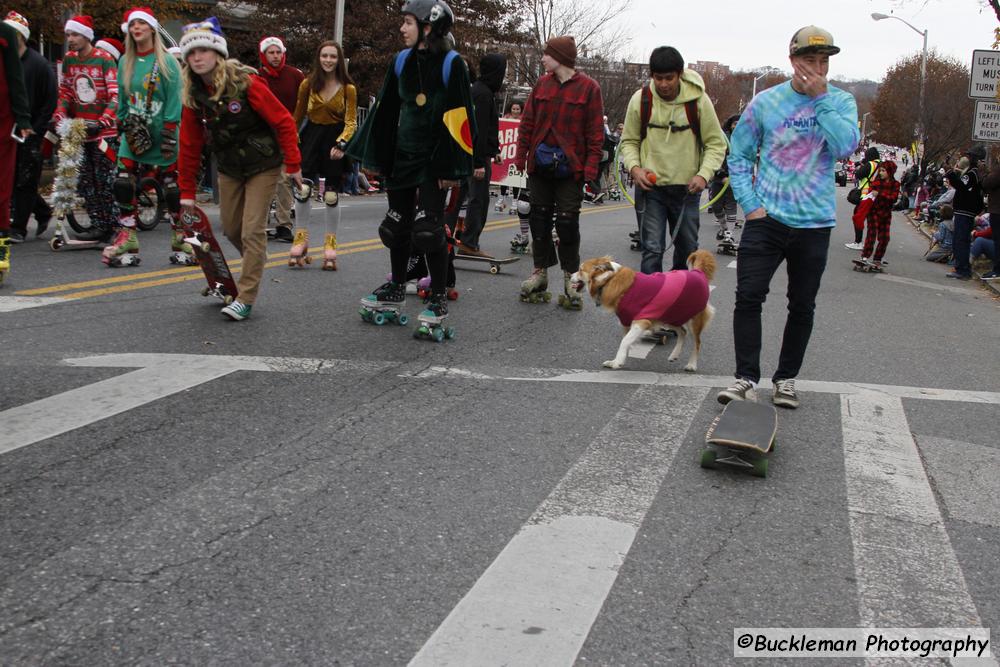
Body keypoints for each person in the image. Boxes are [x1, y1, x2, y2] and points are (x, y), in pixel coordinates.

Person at [718, 25, 859, 408]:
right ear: (792, 60)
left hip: (815, 223)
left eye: (824, 61)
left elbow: (846, 146)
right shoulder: (765, 103)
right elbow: (740, 155)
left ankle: (786, 380)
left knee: (802, 304)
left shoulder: (841, 102)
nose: (817, 68)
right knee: (748, 296)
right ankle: (745, 377)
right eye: (809, 60)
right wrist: (752, 206)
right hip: (768, 220)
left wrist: (821, 100)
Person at [347, 0, 475, 326]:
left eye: (407, 22)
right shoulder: (401, 61)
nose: (402, 28)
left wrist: (452, 170)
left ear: (428, 27)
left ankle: (438, 297)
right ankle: (396, 287)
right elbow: (386, 111)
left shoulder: (452, 64)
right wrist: (376, 158)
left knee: (428, 231)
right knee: (395, 227)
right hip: (403, 158)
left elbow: (461, 118)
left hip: (435, 162)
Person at [177, 17, 302, 320]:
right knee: (231, 228)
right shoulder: (194, 94)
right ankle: (255, 260)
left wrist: (294, 163)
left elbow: (283, 121)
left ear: (217, 53)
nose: (197, 57)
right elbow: (189, 144)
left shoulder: (245, 83)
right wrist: (187, 192)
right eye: (192, 53)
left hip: (263, 164)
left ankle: (245, 297)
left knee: (251, 230)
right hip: (230, 168)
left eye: (204, 51)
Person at [619, 46, 727, 274]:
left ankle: (679, 300)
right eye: (658, 78)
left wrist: (703, 175)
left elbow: (716, 144)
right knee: (652, 249)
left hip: (687, 190)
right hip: (651, 189)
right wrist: (635, 168)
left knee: (687, 250)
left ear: (680, 74)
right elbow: (628, 142)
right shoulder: (641, 100)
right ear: (652, 76)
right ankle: (652, 305)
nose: (664, 84)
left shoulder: (698, 101)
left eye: (669, 78)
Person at [514, 35, 604, 308]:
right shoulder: (541, 84)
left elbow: (595, 133)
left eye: (546, 54)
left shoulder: (589, 88)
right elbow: (527, 123)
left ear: (561, 57)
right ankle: (540, 273)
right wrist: (521, 156)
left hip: (571, 169)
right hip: (540, 166)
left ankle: (570, 278)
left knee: (567, 223)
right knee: (538, 220)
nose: (542, 58)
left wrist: (590, 168)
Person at [104, 7, 183, 267]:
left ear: (151, 28)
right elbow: (123, 99)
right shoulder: (125, 61)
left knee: (171, 186)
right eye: (132, 24)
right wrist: (121, 124)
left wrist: (171, 129)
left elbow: (174, 98)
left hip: (163, 130)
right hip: (134, 129)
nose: (136, 28)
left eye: (141, 23)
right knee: (123, 183)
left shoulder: (166, 61)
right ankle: (128, 236)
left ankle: (180, 235)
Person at [50, 15, 120, 243]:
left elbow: (114, 96)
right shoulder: (70, 59)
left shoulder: (104, 59)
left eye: (75, 35)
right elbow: (67, 92)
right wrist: (60, 114)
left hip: (103, 133)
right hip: (80, 130)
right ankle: (98, 225)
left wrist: (102, 121)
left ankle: (115, 226)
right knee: (87, 182)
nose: (71, 39)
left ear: (87, 36)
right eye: (69, 35)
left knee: (105, 182)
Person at [293, 40, 357, 270]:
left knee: (331, 195)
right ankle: (300, 237)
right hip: (311, 138)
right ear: (318, 59)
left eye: (332, 57)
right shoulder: (307, 84)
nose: (328, 60)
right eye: (324, 56)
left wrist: (342, 143)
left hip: (334, 141)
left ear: (339, 60)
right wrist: (289, 142)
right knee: (303, 190)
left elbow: (351, 121)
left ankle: (331, 243)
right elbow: (297, 117)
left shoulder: (348, 88)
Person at [5, 12, 56, 244]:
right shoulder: (5, 61)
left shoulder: (39, 64)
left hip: (31, 130)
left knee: (25, 180)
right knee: (11, 178)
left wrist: (37, 128)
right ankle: (43, 211)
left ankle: (18, 228)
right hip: (7, 129)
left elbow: (49, 100)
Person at [455, 53, 506, 258]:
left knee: (460, 199)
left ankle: (450, 239)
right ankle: (469, 242)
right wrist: (479, 162)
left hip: (475, 154)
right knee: (478, 201)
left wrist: (495, 150)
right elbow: (479, 130)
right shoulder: (483, 94)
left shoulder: (479, 90)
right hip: (476, 158)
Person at [259, 35, 303, 243]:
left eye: (278, 52)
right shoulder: (257, 77)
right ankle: (260, 223)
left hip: (287, 134)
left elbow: (304, 104)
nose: (275, 56)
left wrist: (296, 126)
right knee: (263, 179)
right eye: (271, 52)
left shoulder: (295, 76)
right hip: (263, 137)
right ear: (264, 55)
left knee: (285, 180)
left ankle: (284, 225)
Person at [0, 18, 32, 281]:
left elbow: (15, 77)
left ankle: (1, 248)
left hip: (2, 120)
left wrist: (22, 118)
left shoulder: (6, 34)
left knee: (2, 187)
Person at [945, 145, 985, 280]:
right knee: (961, 240)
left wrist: (951, 174)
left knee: (960, 240)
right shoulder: (976, 172)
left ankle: (962, 269)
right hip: (966, 210)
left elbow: (961, 186)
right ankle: (961, 267)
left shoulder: (972, 173)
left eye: (971, 156)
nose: (968, 157)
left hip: (965, 211)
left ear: (976, 158)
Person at [856, 160, 898, 270]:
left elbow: (893, 198)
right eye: (880, 170)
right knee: (871, 234)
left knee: (885, 238)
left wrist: (880, 194)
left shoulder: (895, 184)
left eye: (883, 171)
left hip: (886, 213)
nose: (881, 173)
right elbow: (871, 194)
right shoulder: (876, 183)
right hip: (873, 212)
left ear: (890, 171)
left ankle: (877, 258)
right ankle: (864, 257)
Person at [709, 113, 741, 243]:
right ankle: (723, 227)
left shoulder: (745, 140)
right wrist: (720, 174)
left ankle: (729, 233)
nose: (737, 126)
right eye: (734, 124)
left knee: (731, 205)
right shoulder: (722, 138)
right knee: (716, 205)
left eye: (739, 124)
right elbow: (714, 155)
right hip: (719, 177)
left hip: (734, 179)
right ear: (730, 125)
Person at [845, 145, 880, 250]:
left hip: (866, 195)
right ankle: (870, 243)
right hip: (877, 196)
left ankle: (858, 242)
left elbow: (858, 175)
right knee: (871, 221)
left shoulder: (869, 164)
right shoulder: (881, 165)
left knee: (858, 217)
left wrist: (860, 166)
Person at [978, 151, 1000, 280]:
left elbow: (987, 183)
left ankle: (997, 270)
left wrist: (983, 171)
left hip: (997, 210)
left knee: (998, 240)